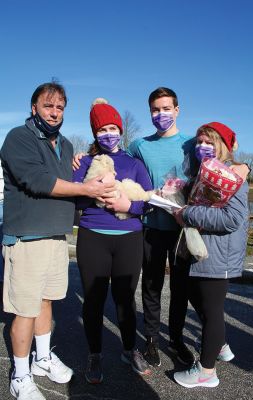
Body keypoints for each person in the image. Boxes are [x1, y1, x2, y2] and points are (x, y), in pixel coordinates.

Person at [0, 82, 115, 400]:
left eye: (60, 107)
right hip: (26, 237)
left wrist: (83, 163)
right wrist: (87, 189)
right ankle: (20, 376)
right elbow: (37, 181)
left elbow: (71, 177)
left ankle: (42, 359)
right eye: (48, 105)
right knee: (24, 309)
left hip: (55, 236)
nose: (54, 112)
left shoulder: (64, 144)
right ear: (33, 107)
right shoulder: (18, 138)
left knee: (46, 301)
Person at [127, 87, 250, 368]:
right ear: (150, 113)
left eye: (166, 109)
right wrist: (86, 156)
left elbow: (221, 158)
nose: (161, 115)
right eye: (156, 110)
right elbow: (120, 163)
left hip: (186, 230)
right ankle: (151, 341)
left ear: (177, 110)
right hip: (152, 226)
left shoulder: (192, 143)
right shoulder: (139, 145)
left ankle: (176, 339)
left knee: (181, 289)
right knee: (151, 286)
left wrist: (245, 168)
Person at [73, 98, 152, 384]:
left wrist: (127, 206)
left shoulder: (134, 164)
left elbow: (149, 201)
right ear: (95, 134)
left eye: (112, 128)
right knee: (93, 299)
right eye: (102, 130)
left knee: (125, 299)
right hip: (93, 236)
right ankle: (95, 354)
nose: (108, 133)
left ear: (120, 130)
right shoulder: (84, 162)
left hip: (129, 238)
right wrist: (95, 191)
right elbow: (76, 195)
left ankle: (129, 350)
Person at [173, 122, 249, 388]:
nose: (202, 147)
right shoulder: (202, 174)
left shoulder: (232, 176)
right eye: (199, 142)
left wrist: (188, 214)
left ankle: (206, 372)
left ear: (224, 147)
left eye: (210, 142)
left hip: (219, 256)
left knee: (212, 310)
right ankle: (220, 346)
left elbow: (232, 219)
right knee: (202, 303)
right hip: (203, 254)